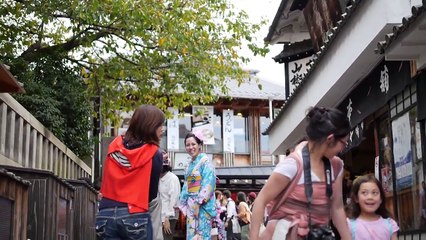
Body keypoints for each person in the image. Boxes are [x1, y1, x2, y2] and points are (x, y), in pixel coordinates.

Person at [249, 106, 352, 240]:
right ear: (330, 139)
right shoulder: (293, 164)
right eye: (343, 143)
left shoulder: (336, 166)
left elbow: (337, 208)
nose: (343, 148)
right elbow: (261, 200)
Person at [95, 104, 165, 240]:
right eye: (160, 125)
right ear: (150, 126)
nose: (162, 129)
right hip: (134, 215)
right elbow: (150, 195)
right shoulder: (154, 153)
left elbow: (107, 179)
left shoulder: (114, 146)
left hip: (105, 214)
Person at [178, 132, 217, 239]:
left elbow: (208, 184)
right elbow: (186, 186)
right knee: (191, 236)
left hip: (202, 206)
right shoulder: (188, 165)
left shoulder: (205, 162)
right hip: (191, 205)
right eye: (187, 145)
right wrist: (183, 202)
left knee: (202, 235)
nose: (190, 147)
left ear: (200, 145)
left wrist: (198, 204)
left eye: (193, 144)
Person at [346, 174, 399, 240]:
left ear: (381, 199)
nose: (370, 197)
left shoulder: (390, 224)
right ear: (356, 198)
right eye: (364, 193)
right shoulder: (349, 225)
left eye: (374, 193)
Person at [159, 149, 181, 240]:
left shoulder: (172, 178)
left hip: (169, 217)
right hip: (159, 216)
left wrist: (166, 218)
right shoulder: (157, 178)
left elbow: (174, 199)